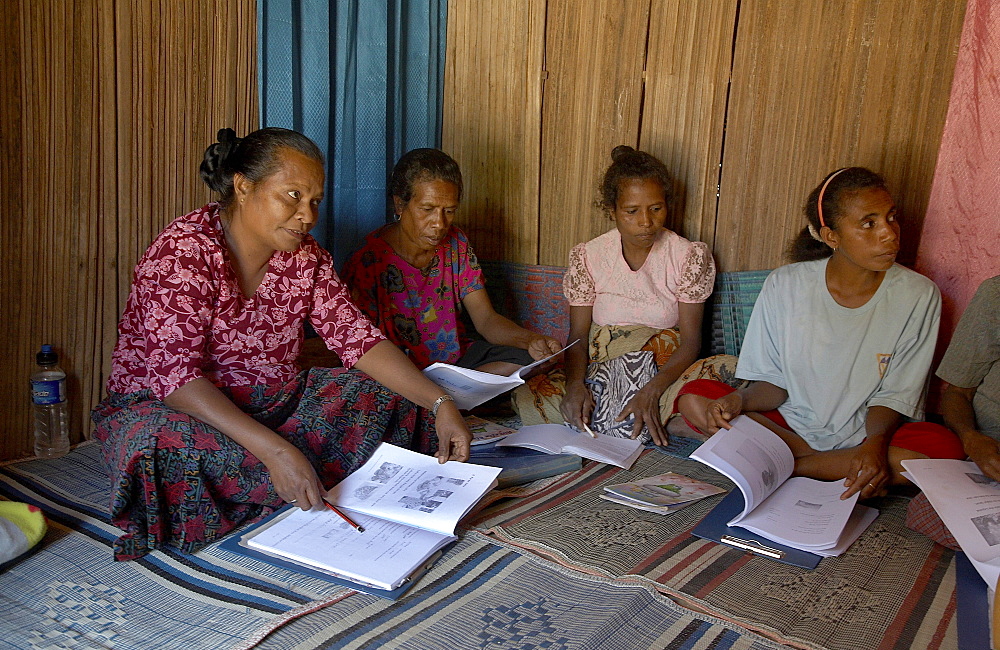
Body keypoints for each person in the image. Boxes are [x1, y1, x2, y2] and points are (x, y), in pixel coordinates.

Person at [93, 128, 472, 561]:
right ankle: (292, 470)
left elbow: (358, 339)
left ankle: (275, 478)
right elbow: (177, 381)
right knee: (164, 446)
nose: (306, 215)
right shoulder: (183, 252)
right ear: (243, 186)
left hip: (272, 403)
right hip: (172, 407)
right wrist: (275, 450)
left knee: (388, 395)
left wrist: (441, 403)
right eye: (292, 195)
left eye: (314, 201)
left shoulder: (305, 257)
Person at [676, 167, 964, 500]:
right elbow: (772, 384)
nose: (889, 233)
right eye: (868, 223)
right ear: (831, 237)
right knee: (694, 395)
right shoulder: (785, 284)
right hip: (787, 426)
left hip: (868, 435)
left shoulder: (918, 294)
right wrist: (738, 399)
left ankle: (790, 467)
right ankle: (831, 467)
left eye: (891, 217)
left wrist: (873, 446)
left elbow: (894, 397)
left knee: (945, 448)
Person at [513, 145, 716, 447]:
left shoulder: (687, 256)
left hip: (664, 370)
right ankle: (657, 419)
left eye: (656, 208)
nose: (646, 222)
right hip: (603, 369)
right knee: (530, 393)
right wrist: (575, 385)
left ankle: (648, 410)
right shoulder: (590, 255)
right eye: (632, 211)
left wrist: (651, 390)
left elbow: (690, 342)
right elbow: (578, 335)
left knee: (714, 380)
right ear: (612, 211)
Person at [341, 148, 562, 374]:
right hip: (402, 371)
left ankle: (454, 395)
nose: (439, 223)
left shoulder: (456, 243)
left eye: (449, 211)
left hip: (457, 362)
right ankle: (444, 398)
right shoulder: (368, 260)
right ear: (399, 205)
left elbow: (486, 320)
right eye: (427, 209)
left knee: (531, 361)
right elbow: (364, 347)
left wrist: (532, 341)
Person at [937, 276, 1000, 480]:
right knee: (922, 510)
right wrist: (971, 439)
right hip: (986, 463)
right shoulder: (995, 294)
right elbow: (958, 393)